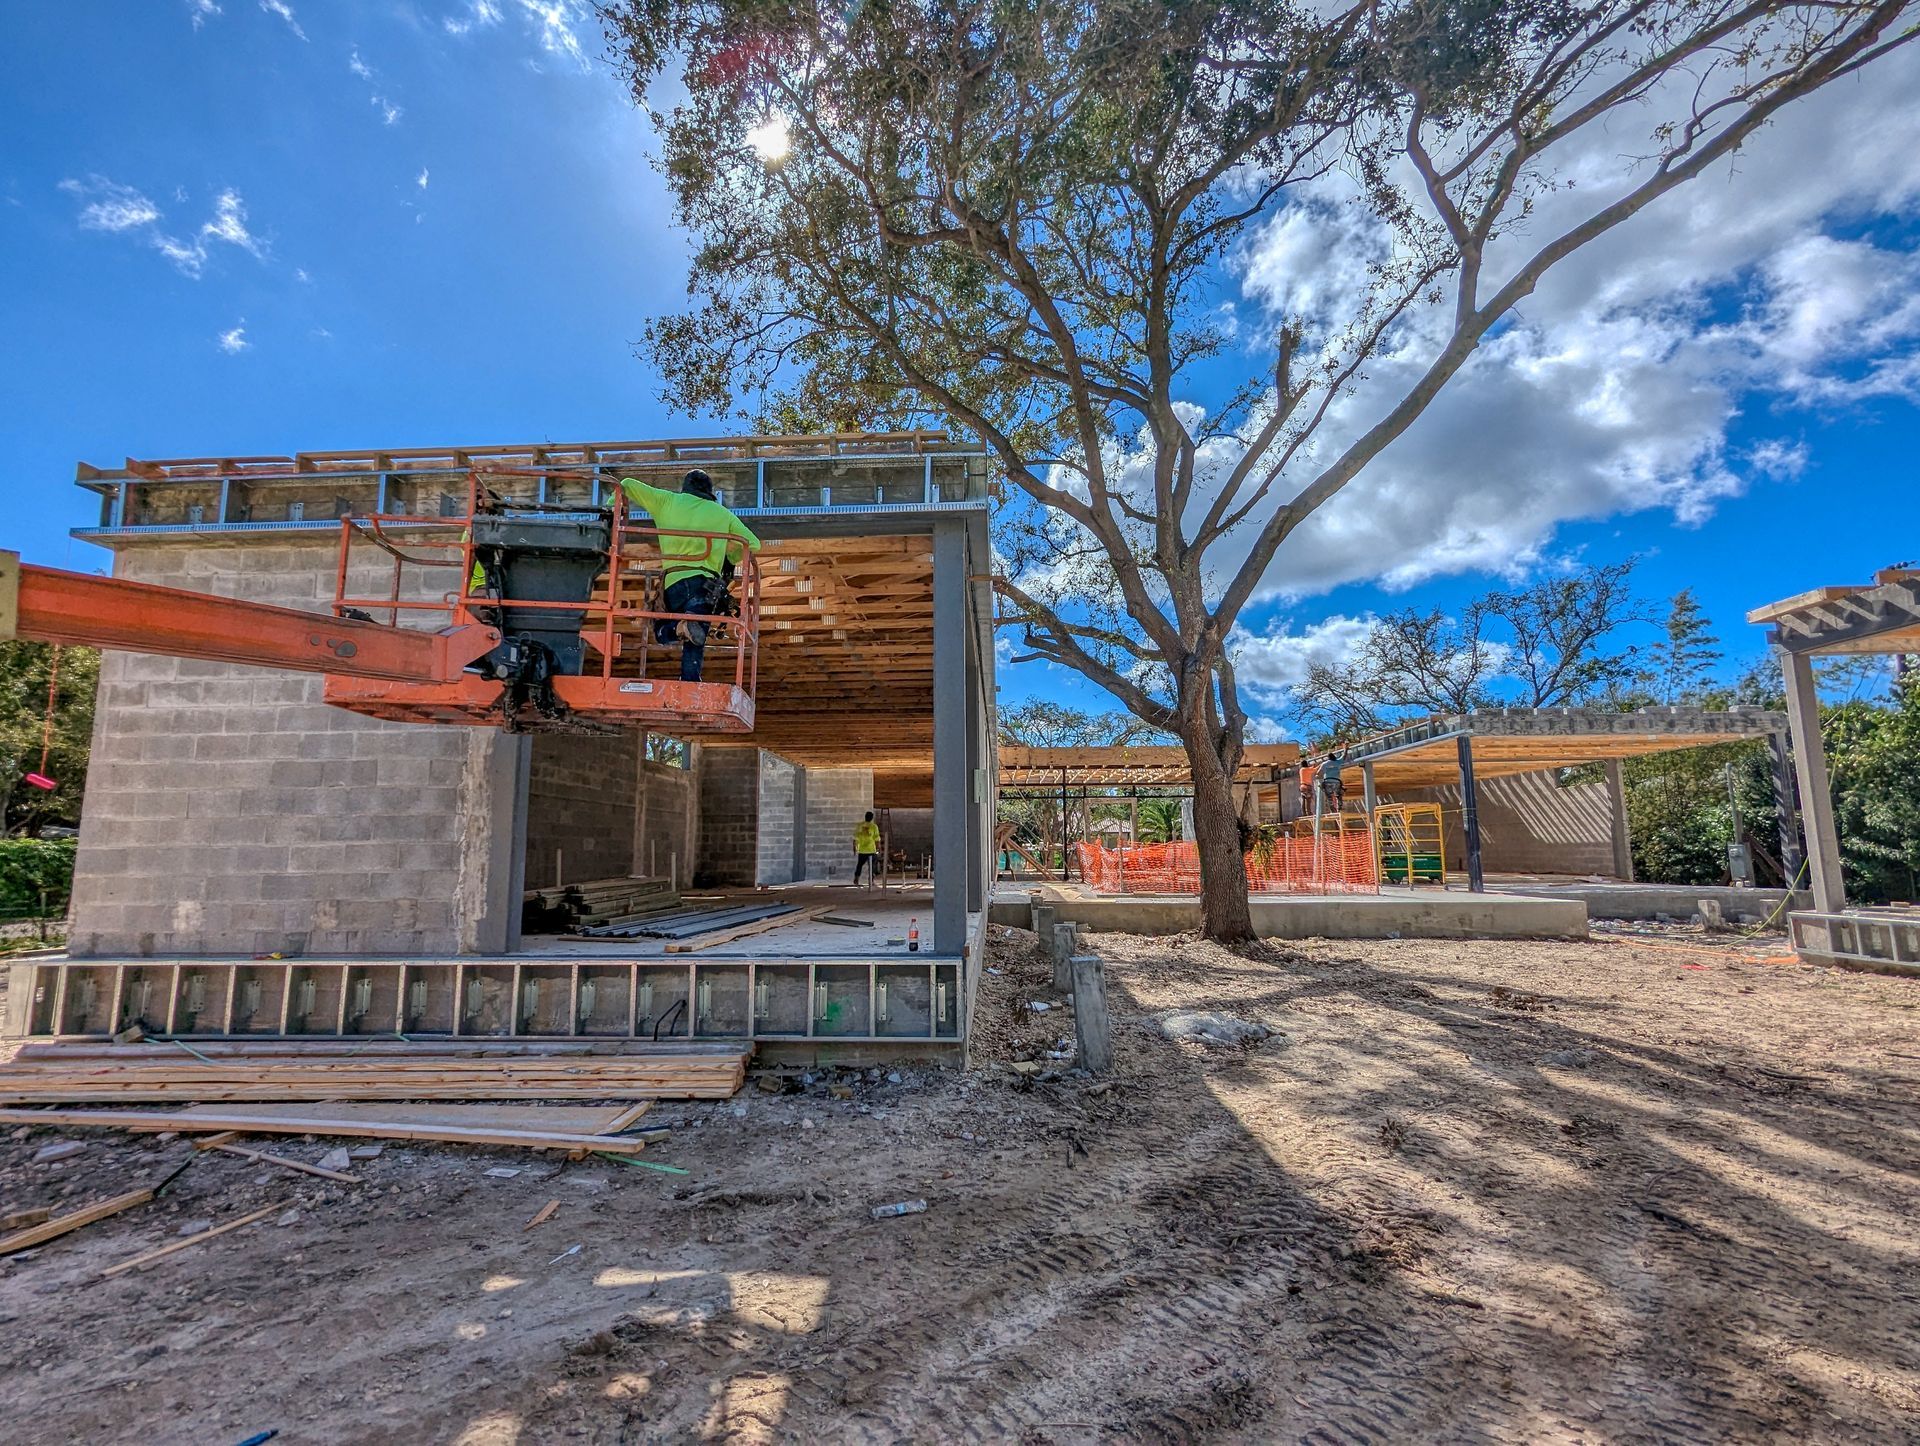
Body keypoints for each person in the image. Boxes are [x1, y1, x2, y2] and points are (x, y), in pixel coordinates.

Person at [620, 469, 761, 683]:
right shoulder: (721, 513)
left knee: (660, 631)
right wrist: (729, 559)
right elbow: (753, 544)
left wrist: (611, 508)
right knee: (696, 633)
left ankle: (676, 628)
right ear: (709, 491)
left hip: (672, 584)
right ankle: (690, 679)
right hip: (705, 586)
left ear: (685, 488)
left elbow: (628, 482)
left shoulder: (667, 501)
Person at [853, 810, 882, 887]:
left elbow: (856, 838)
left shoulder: (860, 826)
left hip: (862, 850)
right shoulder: (874, 826)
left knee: (859, 865)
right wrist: (879, 848)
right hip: (871, 850)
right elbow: (877, 838)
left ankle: (856, 878)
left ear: (865, 817)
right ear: (872, 818)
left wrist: (854, 848)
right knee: (872, 866)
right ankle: (871, 880)